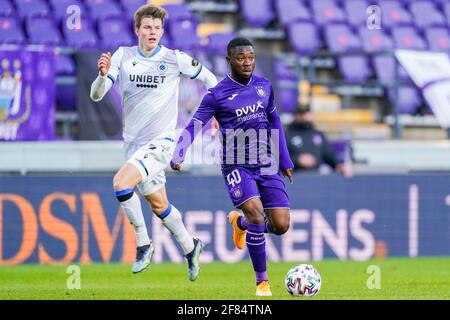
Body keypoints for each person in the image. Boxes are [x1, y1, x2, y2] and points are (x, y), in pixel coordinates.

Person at [89, 4, 218, 280]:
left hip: (162, 141)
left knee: (121, 184)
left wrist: (218, 110)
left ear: (162, 31)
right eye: (147, 27)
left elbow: (210, 79)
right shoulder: (123, 56)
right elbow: (97, 95)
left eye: (157, 28)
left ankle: (143, 244)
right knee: (159, 205)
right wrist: (101, 77)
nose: (152, 32)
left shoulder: (174, 58)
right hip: (133, 145)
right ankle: (190, 246)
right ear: (137, 30)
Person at [171, 38, 294, 296]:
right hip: (237, 165)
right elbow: (195, 124)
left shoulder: (264, 86)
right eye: (241, 58)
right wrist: (178, 153)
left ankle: (241, 223)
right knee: (258, 215)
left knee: (281, 225)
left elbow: (275, 121)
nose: (247, 62)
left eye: (250, 57)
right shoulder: (217, 94)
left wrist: (285, 160)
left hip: (266, 161)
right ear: (229, 60)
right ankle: (262, 282)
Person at [285, 105, 353, 178]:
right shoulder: (286, 135)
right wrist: (297, 160)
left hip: (316, 177)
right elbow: (278, 159)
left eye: (307, 113)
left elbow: (329, 155)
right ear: (295, 115)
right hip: (294, 177)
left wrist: (340, 165)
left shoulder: (318, 135)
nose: (304, 116)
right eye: (301, 114)